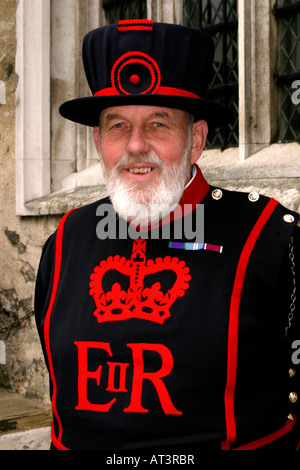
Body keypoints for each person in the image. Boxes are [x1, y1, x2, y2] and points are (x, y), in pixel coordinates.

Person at [34, 19, 300, 451]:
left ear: (195, 139)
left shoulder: (272, 240)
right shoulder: (65, 241)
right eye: (118, 126)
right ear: (99, 141)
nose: (136, 146)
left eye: (159, 124)